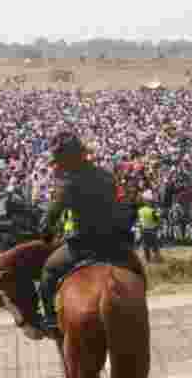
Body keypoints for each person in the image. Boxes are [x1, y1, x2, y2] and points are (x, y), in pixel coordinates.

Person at [36, 131, 137, 336]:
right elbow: (124, 204)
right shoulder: (106, 175)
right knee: (137, 271)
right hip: (117, 243)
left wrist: (45, 234)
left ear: (65, 160)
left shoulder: (68, 184)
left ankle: (50, 319)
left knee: (48, 272)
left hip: (85, 245)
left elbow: (51, 216)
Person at [137, 191, 162, 263]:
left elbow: (139, 220)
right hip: (152, 231)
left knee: (145, 246)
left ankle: (148, 260)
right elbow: (157, 220)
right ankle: (157, 259)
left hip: (143, 230)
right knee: (155, 246)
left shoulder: (140, 210)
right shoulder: (153, 211)